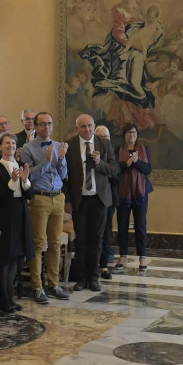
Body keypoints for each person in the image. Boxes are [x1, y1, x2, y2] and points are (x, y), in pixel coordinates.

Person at [64, 113, 118, 291]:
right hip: (80, 199)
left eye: (89, 126)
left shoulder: (105, 143)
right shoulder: (70, 145)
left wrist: (99, 163)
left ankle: (94, 278)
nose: (87, 130)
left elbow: (113, 169)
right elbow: (65, 176)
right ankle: (81, 278)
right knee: (81, 240)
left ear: (94, 126)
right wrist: (68, 200)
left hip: (99, 199)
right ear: (77, 128)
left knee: (97, 239)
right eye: (83, 127)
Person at [19, 112, 69, 304]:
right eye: (42, 124)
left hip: (58, 197)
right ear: (36, 127)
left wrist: (61, 159)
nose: (46, 127)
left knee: (55, 243)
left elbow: (63, 174)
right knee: (39, 244)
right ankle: (37, 286)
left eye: (49, 123)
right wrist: (47, 161)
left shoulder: (58, 145)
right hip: (39, 198)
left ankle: (54, 284)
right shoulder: (27, 148)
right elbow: (29, 175)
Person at [0, 133, 32, 312]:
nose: (11, 146)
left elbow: (30, 195)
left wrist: (24, 180)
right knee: (4, 256)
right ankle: (4, 299)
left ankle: (9, 297)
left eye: (13, 143)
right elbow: (1, 194)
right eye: (7, 143)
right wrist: (13, 181)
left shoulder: (20, 165)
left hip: (21, 213)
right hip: (5, 215)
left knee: (16, 256)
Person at [115, 122, 153, 272]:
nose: (132, 136)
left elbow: (148, 169)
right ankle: (122, 255)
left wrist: (136, 163)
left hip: (140, 192)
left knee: (140, 225)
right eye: (129, 133)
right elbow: (115, 170)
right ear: (124, 135)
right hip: (123, 192)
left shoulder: (144, 149)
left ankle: (142, 257)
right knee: (122, 225)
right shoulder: (118, 150)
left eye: (134, 133)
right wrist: (127, 164)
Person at [95, 124, 116, 280]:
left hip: (108, 199)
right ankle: (92, 267)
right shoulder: (90, 153)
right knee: (93, 234)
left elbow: (116, 174)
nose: (103, 139)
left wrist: (101, 167)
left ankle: (103, 266)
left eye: (106, 137)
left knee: (106, 233)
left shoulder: (112, 152)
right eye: (100, 137)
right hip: (91, 198)